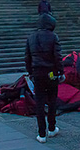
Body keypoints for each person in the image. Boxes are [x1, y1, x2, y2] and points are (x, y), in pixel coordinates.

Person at [25, 13, 63, 143]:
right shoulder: (53, 37)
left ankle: (41, 134)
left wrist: (30, 73)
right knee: (52, 101)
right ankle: (52, 128)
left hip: (37, 73)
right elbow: (57, 57)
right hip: (51, 73)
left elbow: (27, 58)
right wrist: (61, 72)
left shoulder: (31, 38)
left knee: (39, 103)